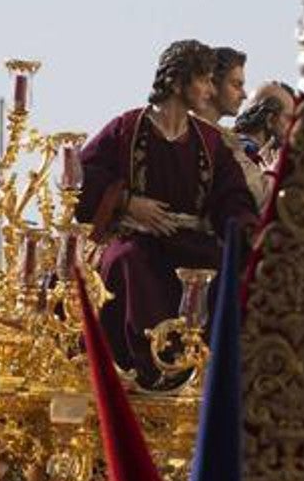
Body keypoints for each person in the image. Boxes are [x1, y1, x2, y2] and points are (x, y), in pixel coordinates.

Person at [76, 39, 258, 385]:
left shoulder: (208, 140)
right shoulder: (127, 129)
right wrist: (127, 202)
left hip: (186, 241)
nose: (208, 89)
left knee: (229, 269)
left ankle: (209, 373)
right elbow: (82, 176)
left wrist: (246, 228)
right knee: (126, 264)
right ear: (177, 82)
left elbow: (230, 196)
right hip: (134, 237)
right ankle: (145, 372)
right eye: (202, 80)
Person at [199, 46, 248, 125]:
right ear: (211, 83)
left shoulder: (224, 136)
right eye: (236, 85)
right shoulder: (181, 131)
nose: (244, 95)